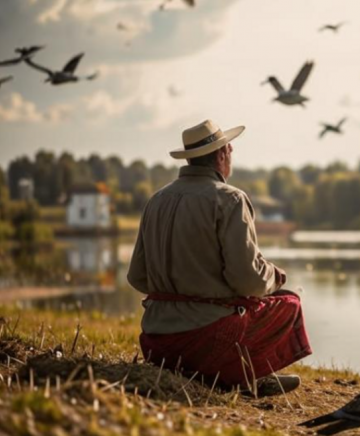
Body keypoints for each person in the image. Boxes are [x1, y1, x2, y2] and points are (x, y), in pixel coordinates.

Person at [127, 119, 311, 395]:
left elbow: (137, 277)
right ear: (221, 154)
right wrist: (274, 275)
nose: (232, 152)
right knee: (289, 303)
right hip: (205, 341)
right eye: (229, 148)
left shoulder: (156, 200)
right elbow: (247, 280)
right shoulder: (230, 199)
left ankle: (239, 375)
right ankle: (244, 377)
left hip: (156, 343)